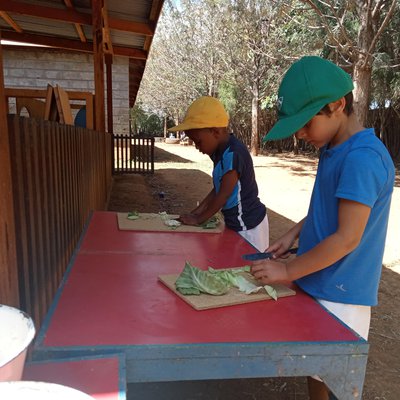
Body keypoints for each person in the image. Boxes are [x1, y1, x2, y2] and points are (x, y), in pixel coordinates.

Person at [251, 56, 395, 400]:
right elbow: (332, 207)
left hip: (342, 293)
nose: (300, 135)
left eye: (305, 124)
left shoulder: (362, 158)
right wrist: (295, 232)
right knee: (314, 368)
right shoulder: (334, 148)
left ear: (337, 105)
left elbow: (347, 238)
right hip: (319, 279)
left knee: (338, 378)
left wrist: (286, 270)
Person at [168, 96, 269, 252]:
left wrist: (199, 219)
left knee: (250, 270)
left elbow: (223, 195)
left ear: (215, 132)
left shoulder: (233, 154)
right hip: (236, 223)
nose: (196, 147)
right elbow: (217, 189)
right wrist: (194, 213)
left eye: (198, 141)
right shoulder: (219, 153)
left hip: (249, 226)